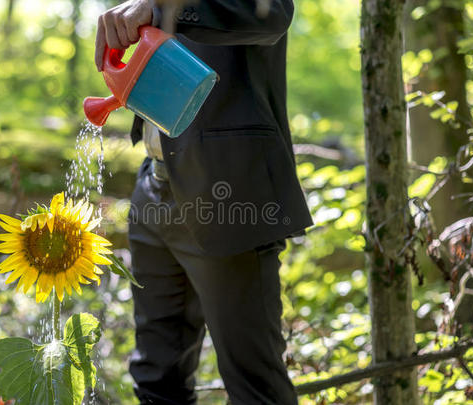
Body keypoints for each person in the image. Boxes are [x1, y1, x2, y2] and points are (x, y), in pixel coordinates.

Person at [95, 0, 313, 404]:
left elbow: (272, 15)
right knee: (156, 378)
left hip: (228, 191)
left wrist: (160, 7)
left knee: (254, 388)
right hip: (153, 185)